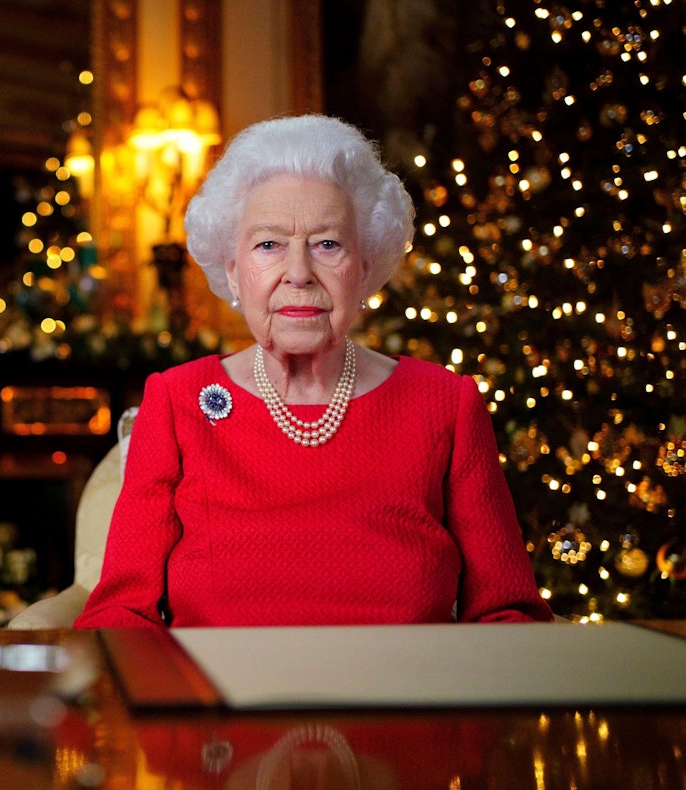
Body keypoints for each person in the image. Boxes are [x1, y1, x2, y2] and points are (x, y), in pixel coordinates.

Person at [75, 114, 553, 629]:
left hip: (402, 702)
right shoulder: (177, 400)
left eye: (327, 244)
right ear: (233, 270)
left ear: (365, 267)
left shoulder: (443, 403)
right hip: (220, 702)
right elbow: (120, 615)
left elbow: (508, 612)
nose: (299, 273)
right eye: (268, 245)